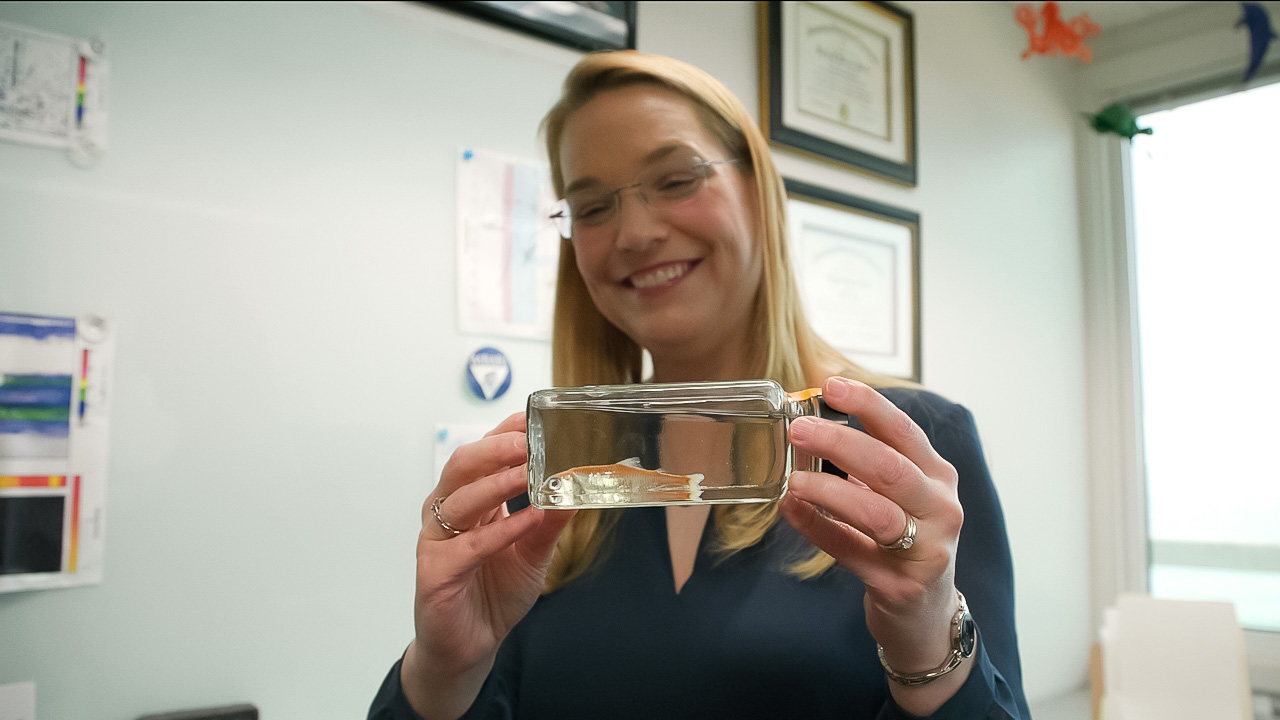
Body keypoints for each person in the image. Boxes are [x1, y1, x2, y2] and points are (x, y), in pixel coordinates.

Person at [370, 51, 1030, 720]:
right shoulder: (556, 477)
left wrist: (929, 646)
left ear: (757, 191)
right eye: (593, 207)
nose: (635, 232)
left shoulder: (909, 449)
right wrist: (441, 670)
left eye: (678, 179)